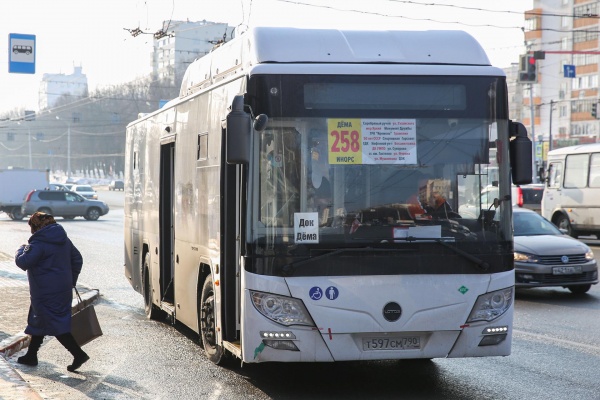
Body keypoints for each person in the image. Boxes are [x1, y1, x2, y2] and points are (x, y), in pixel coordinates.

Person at [14, 212, 90, 372]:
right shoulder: (63, 240)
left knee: (54, 323)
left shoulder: (39, 244)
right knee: (40, 320)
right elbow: (77, 259)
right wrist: (70, 280)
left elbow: (23, 262)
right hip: (61, 290)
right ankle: (31, 355)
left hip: (45, 292)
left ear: (35, 226)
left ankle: (78, 354)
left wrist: (20, 249)